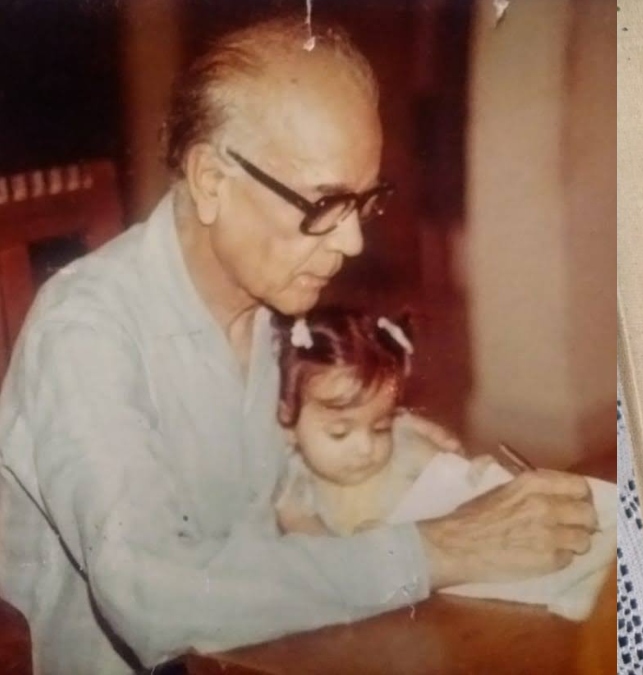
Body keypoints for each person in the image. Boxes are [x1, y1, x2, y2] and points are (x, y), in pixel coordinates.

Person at [0, 17, 596, 674]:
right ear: (211, 181)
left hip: (265, 642)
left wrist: (369, 432)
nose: (352, 242)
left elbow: (258, 478)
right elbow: (154, 595)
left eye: (364, 202)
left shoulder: (270, 299)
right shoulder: (83, 332)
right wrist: (442, 548)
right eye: (323, 205)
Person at [270, 307, 495, 537]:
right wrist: (356, 550)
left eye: (381, 428)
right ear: (289, 422)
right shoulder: (294, 480)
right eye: (340, 433)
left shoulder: (404, 446)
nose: (366, 448)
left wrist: (478, 481)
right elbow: (308, 540)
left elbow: (457, 478)